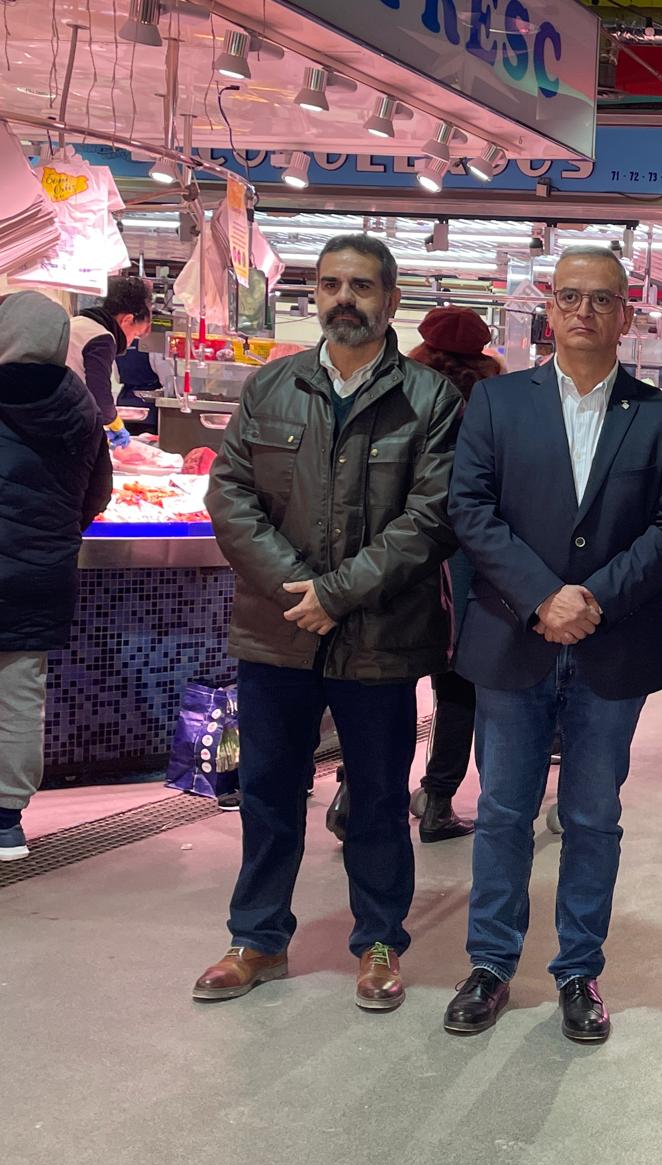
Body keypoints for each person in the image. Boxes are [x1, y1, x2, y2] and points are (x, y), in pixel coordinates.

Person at [192, 235, 462, 1011]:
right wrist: (297, 588)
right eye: (333, 284)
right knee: (270, 789)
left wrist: (337, 594)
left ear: (392, 300)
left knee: (377, 796)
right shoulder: (271, 388)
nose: (347, 298)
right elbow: (230, 496)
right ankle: (257, 938)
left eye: (364, 286)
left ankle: (379, 942)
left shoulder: (430, 401)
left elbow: (431, 517)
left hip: (378, 635)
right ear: (314, 295)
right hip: (278, 632)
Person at [443, 248, 662, 1041]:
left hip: (609, 643)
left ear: (627, 314)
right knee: (504, 810)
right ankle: (490, 965)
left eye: (602, 299)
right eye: (569, 297)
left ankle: (579, 970)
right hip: (514, 638)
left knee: (593, 815)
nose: (584, 311)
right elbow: (472, 510)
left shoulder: (661, 417)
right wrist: (540, 598)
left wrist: (592, 597)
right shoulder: (497, 405)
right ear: (548, 311)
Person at [0, 293, 113, 861]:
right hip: (43, 575)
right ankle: (5, 823)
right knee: (20, 697)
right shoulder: (83, 411)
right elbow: (98, 497)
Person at [405, 304, 504, 841]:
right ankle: (438, 800)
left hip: (398, 552)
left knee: (388, 682)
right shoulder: (494, 403)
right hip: (464, 555)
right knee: (458, 688)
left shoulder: (401, 392)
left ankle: (356, 794)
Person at [65, 275, 152, 447]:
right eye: (134, 335)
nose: (130, 342)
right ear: (127, 320)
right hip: (64, 419)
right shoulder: (102, 338)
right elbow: (99, 390)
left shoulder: (78, 322)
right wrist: (114, 422)